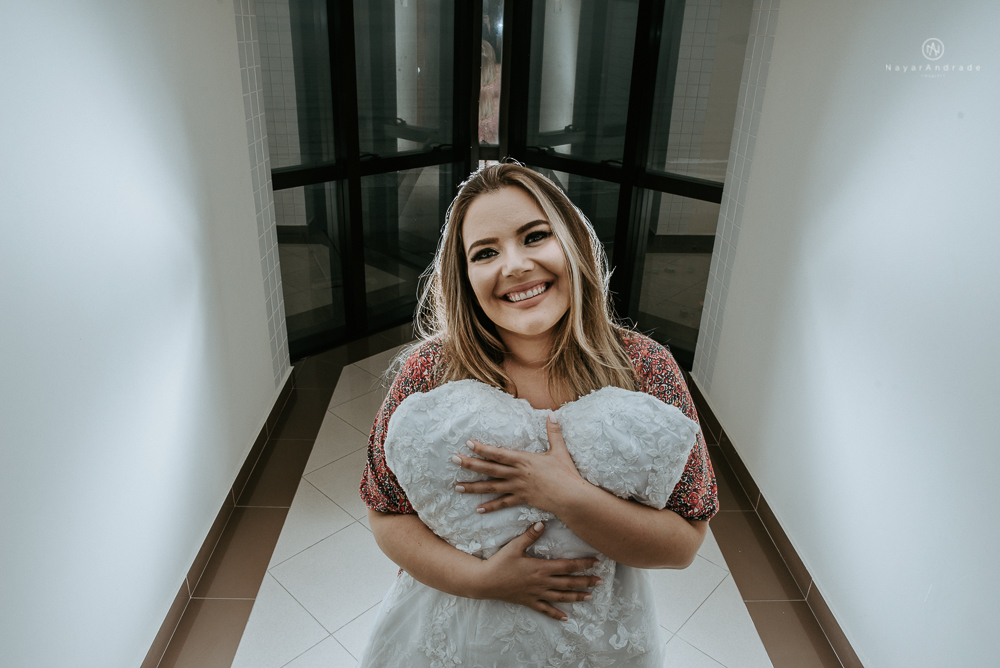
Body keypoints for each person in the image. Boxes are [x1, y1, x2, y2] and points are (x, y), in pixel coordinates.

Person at [358, 163, 718, 666]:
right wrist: (483, 581)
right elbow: (385, 512)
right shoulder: (427, 371)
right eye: (485, 252)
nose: (515, 265)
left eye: (535, 236)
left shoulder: (646, 368)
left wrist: (565, 495)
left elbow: (683, 543)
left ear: (573, 242)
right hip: (454, 636)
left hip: (594, 640)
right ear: (463, 277)